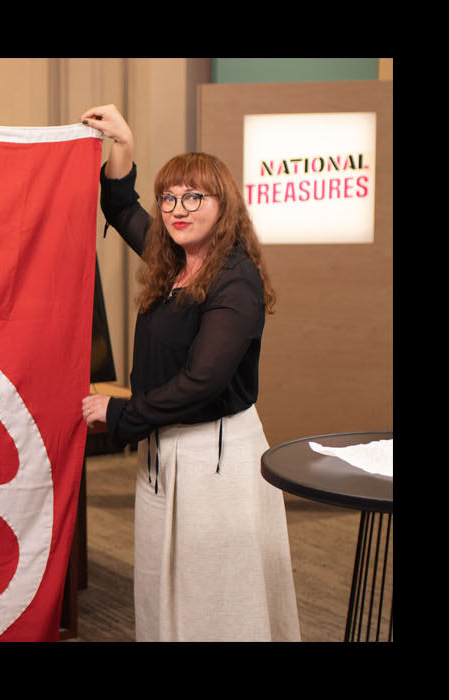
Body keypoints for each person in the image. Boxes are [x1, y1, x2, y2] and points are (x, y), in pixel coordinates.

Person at [77, 105, 300, 641]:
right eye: (170, 197)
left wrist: (120, 411)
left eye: (194, 197)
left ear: (223, 206)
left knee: (215, 593)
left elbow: (203, 381)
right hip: (164, 449)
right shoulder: (172, 260)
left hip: (216, 456)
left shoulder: (235, 279)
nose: (178, 209)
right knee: (162, 582)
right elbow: (119, 203)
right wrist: (123, 143)